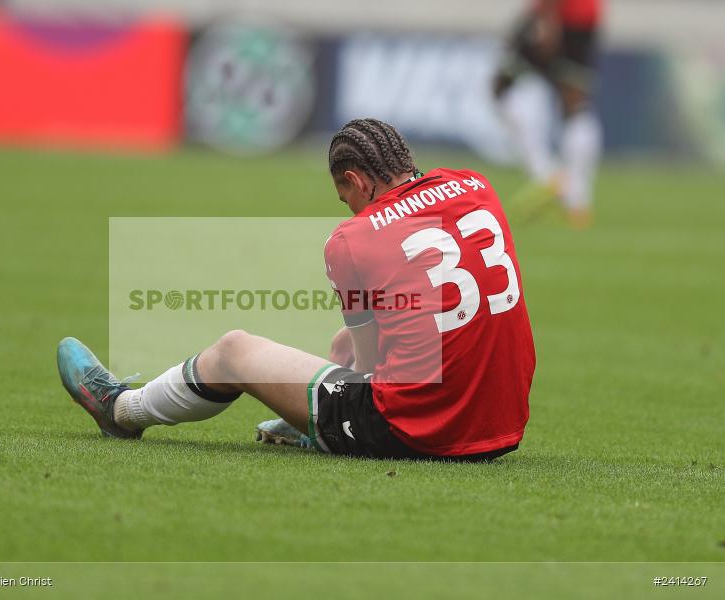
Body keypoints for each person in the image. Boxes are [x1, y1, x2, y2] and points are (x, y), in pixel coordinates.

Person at [57, 118, 535, 461]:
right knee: (340, 343)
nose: (348, 209)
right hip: (502, 425)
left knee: (233, 351)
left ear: (355, 180)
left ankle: (119, 410)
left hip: (418, 431)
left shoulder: (352, 239)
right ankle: (309, 417)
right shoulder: (475, 185)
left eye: (344, 197)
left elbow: (367, 370)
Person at [493, 0, 604, 228]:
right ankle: (577, 201)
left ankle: (546, 175)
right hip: (584, 20)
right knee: (575, 104)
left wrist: (548, 21)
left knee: (502, 89)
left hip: (557, 16)